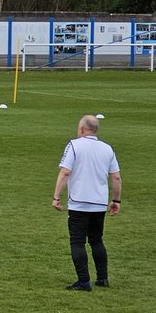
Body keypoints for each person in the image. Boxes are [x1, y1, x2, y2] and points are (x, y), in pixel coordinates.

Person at [52, 115, 122, 291]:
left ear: (82, 129)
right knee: (97, 240)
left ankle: (83, 281)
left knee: (77, 242)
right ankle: (103, 278)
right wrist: (116, 200)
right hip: (99, 203)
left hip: (79, 203)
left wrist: (56, 197)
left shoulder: (74, 145)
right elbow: (116, 177)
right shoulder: (107, 149)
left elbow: (65, 172)